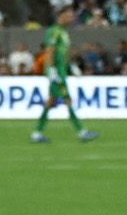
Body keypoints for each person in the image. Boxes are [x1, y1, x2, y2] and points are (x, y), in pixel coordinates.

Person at [30, 12, 90, 144]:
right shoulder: (54, 31)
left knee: (51, 101)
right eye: (68, 16)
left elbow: (64, 52)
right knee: (67, 99)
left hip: (61, 71)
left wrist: (71, 66)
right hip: (56, 71)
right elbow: (50, 51)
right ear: (60, 17)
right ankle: (81, 131)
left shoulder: (64, 32)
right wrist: (51, 69)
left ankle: (37, 133)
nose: (71, 18)